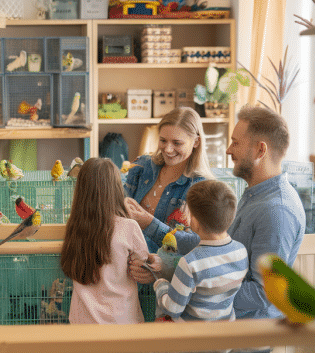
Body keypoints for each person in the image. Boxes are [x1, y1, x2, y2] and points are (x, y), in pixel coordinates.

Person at [222, 105, 305, 320]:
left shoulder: (276, 210)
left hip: (248, 336)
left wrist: (205, 291)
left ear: (260, 150)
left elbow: (263, 293)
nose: (228, 150)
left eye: (236, 143)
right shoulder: (255, 195)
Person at [60, 157, 154, 324]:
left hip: (82, 322)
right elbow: (143, 270)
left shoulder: (74, 227)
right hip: (122, 321)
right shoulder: (129, 227)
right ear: (116, 188)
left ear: (80, 190)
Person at [123, 106, 215, 255]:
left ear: (196, 142)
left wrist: (148, 223)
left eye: (177, 143)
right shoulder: (142, 166)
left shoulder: (202, 188)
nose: (168, 149)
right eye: (163, 140)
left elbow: (196, 245)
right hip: (125, 263)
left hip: (169, 273)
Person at [153, 180, 248, 322]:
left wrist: (161, 285)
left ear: (195, 222)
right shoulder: (241, 251)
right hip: (225, 336)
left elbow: (173, 309)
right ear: (232, 216)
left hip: (194, 339)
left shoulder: (191, 263)